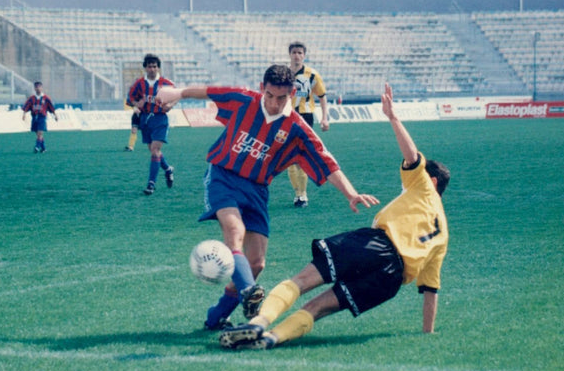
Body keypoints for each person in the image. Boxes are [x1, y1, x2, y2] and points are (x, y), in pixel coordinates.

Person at [219, 82, 450, 350]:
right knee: (317, 308)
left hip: (375, 245)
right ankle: (272, 338)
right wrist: (428, 334)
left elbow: (411, 157)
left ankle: (257, 323)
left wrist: (393, 117)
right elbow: (430, 291)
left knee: (301, 281)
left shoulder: (423, 187)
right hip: (390, 280)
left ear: (431, 181)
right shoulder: (443, 234)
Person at [155, 64, 379, 331]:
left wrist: (351, 194)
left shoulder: (297, 128)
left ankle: (216, 317)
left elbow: (326, 161)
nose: (274, 103)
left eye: (281, 98)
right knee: (234, 231)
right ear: (262, 89)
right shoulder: (243, 100)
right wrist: (178, 93)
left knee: (257, 263)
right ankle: (249, 291)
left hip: (258, 190)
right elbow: (207, 91)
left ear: (292, 93)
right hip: (223, 176)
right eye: (270, 95)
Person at [287, 41, 330, 208]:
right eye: (294, 52)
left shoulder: (312, 75)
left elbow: (322, 95)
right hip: (286, 117)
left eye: (300, 53)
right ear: (290, 54)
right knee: (290, 157)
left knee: (302, 156)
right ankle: (297, 194)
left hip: (305, 117)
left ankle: (303, 194)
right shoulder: (283, 74)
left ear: (304, 55)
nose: (297, 55)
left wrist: (324, 118)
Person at [126, 54, 175, 195]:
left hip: (160, 119)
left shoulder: (166, 83)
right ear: (145, 68)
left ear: (158, 67)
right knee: (154, 151)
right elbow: (130, 98)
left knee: (155, 150)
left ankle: (151, 184)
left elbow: (178, 95)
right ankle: (168, 169)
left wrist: (170, 105)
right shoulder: (139, 84)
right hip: (146, 119)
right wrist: (136, 104)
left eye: (155, 66)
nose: (152, 69)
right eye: (149, 66)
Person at [22, 81, 58, 154]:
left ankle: (37, 147)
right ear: (34, 88)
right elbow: (26, 107)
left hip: (42, 117)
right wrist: (24, 114)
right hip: (34, 117)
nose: (38, 88)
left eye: (39, 87)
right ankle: (43, 148)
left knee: (40, 133)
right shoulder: (32, 98)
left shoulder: (46, 98)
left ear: (42, 88)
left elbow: (51, 107)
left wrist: (55, 115)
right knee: (38, 134)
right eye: (36, 87)